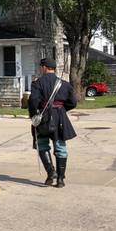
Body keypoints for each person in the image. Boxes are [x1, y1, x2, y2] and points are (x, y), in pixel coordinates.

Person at [28, 58, 77, 188]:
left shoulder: (37, 83)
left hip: (43, 117)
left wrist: (34, 116)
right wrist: (60, 110)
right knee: (60, 147)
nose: (40, 69)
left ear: (44, 67)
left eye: (41, 67)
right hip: (60, 117)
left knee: (42, 144)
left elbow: (33, 101)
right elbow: (73, 102)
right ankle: (60, 179)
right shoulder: (65, 84)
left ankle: (51, 173)